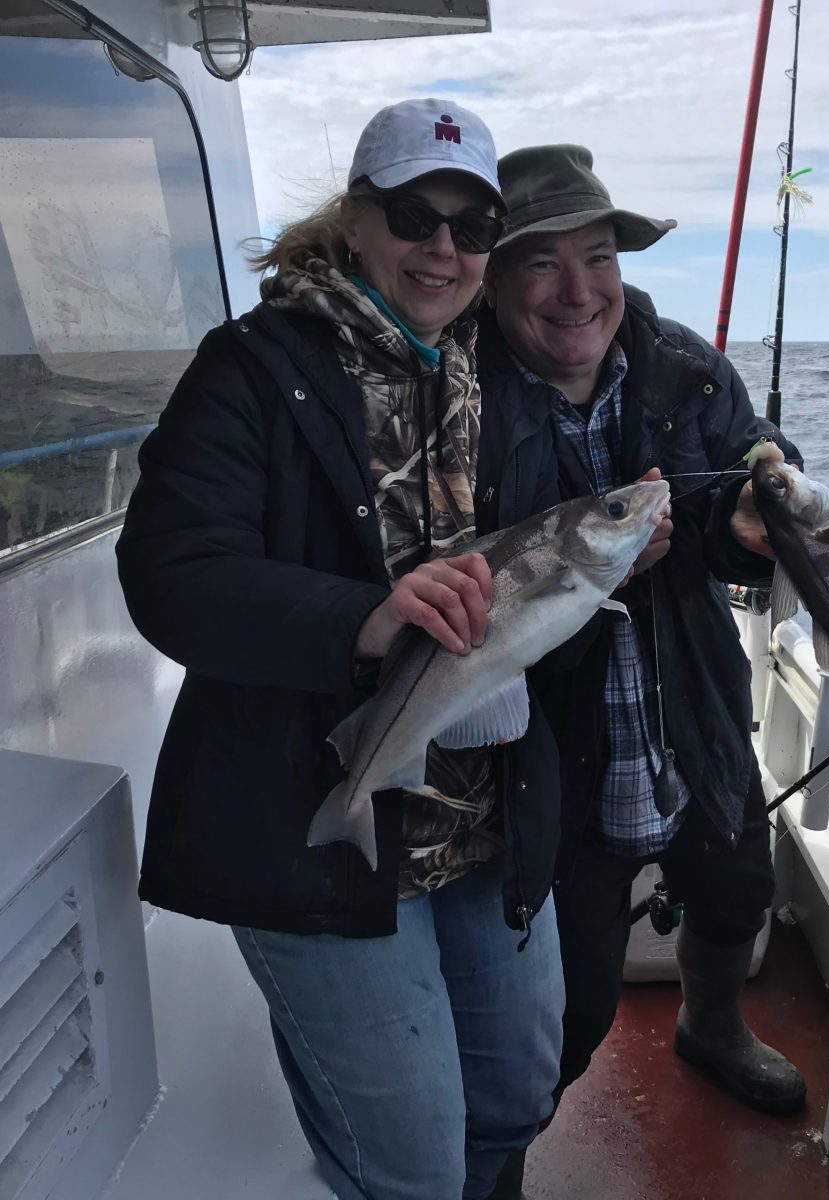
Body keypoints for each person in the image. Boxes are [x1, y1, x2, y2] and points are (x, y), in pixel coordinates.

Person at [115, 99, 565, 1200]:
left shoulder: (490, 370)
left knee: (514, 1095)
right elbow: (172, 573)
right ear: (357, 220)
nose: (444, 249)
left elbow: (570, 496)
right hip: (311, 820)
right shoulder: (255, 369)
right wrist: (363, 618)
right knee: (403, 1164)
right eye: (416, 215)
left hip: (482, 815)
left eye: (473, 226)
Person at [474, 144, 807, 1195]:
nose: (580, 291)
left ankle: (711, 1026)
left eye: (598, 254)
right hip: (548, 732)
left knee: (735, 882)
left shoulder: (686, 368)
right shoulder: (460, 393)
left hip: (688, 694)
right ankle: (510, 1142)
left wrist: (752, 520)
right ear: (490, 277)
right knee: (564, 1004)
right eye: (541, 264)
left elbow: (740, 472)